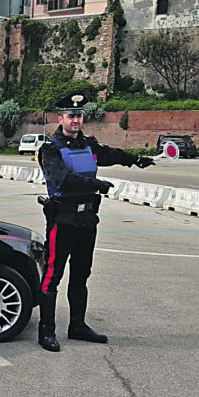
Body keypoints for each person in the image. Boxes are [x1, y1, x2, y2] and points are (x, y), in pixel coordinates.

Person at [35, 93, 155, 353]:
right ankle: (46, 331)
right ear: (60, 118)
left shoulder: (88, 145)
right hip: (62, 219)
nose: (76, 120)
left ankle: (77, 325)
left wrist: (135, 160)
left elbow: (110, 154)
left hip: (86, 219)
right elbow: (61, 179)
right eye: (71, 115)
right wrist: (95, 185)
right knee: (52, 276)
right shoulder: (50, 150)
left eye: (79, 115)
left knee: (81, 274)